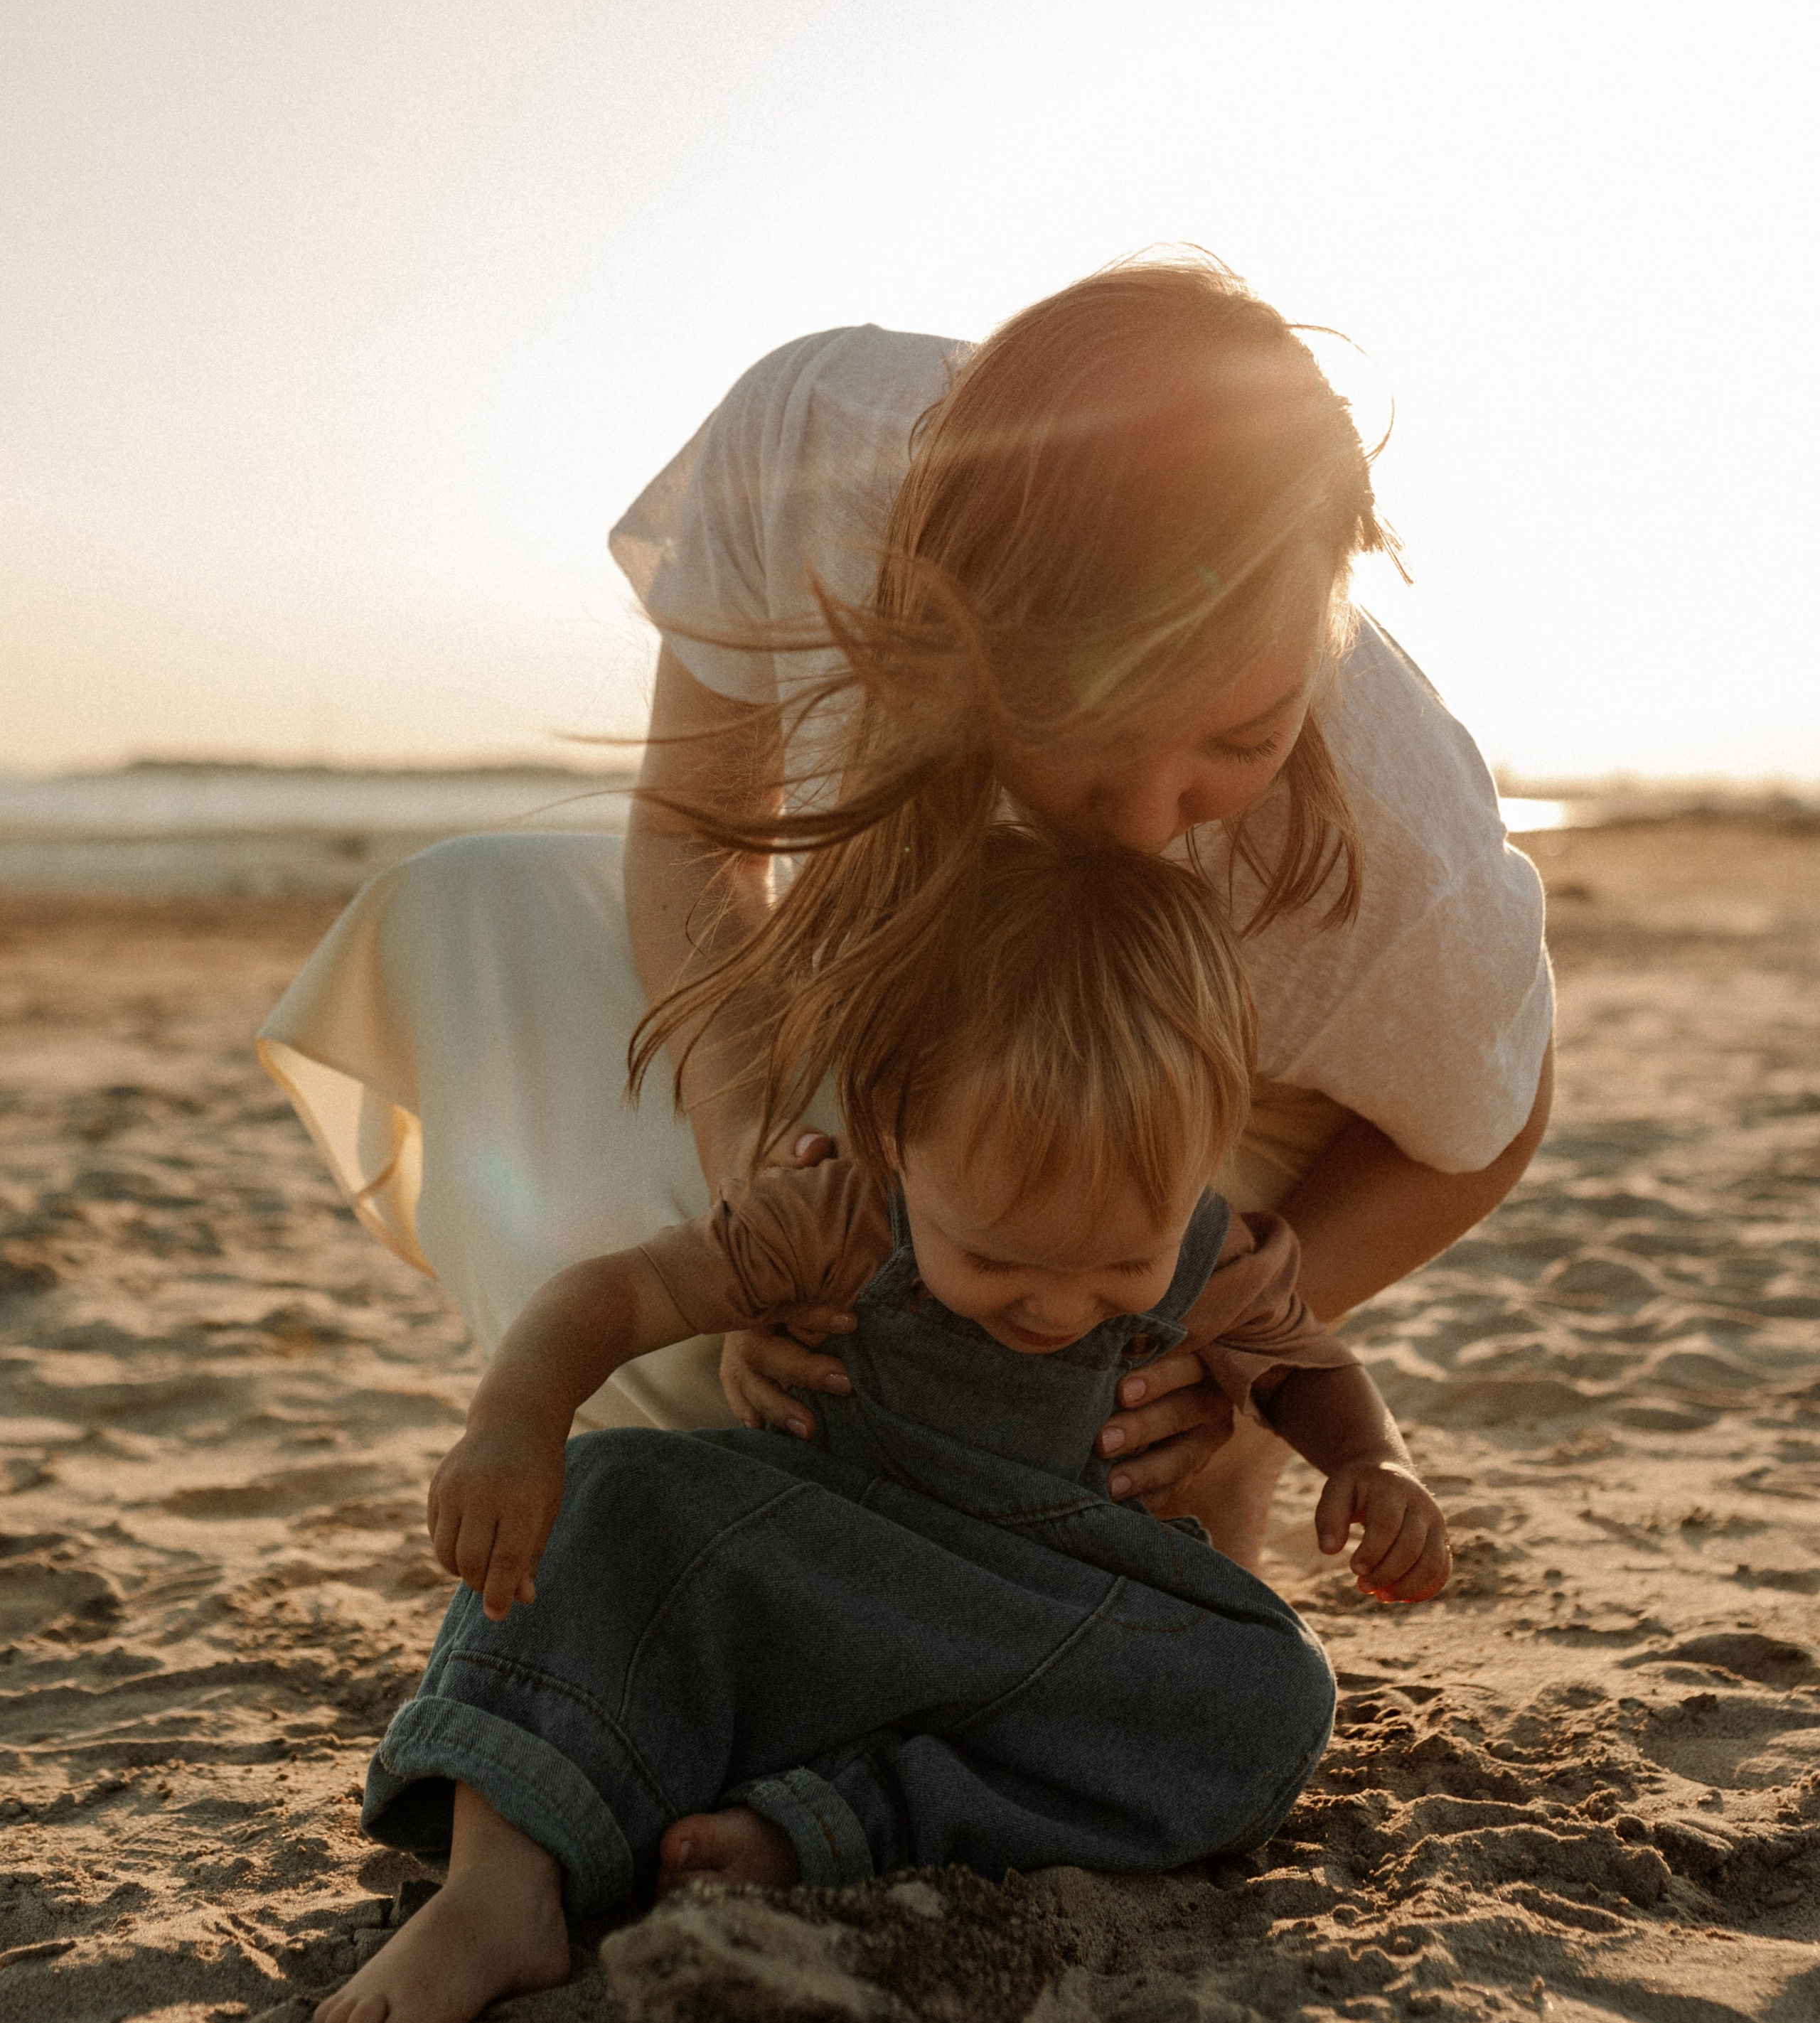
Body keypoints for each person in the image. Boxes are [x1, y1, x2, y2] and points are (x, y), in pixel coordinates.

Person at [259, 254, 1551, 1569]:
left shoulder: (1398, 828)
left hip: (1195, 1097)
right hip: (925, 1000)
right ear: (965, 598)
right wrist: (754, 1181)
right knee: (475, 911)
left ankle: (1173, 1478)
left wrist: (1217, 1349)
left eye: (1240, 734)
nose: (1152, 818)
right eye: (1091, 735)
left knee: (1029, 1396)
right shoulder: (813, 447)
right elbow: (704, 833)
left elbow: (1492, 1120)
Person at [312, 830, 1450, 2023]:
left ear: (1203, 1156)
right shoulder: (838, 1214)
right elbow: (615, 1299)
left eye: (1121, 1265)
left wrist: (1372, 1463)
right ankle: (498, 1884)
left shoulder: (1213, 1250)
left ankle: (837, 1826)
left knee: (1272, 1690)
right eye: (1002, 1259)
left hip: (1031, 1625)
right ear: (899, 1130)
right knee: (611, 1492)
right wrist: (512, 1427)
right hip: (807, 1572)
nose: (1060, 1307)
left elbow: (1308, 1365)